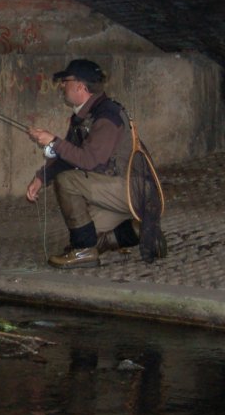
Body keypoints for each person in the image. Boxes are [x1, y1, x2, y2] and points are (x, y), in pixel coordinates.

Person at [25, 59, 145, 268]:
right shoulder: (84, 115)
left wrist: (54, 141)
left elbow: (88, 160)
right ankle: (139, 231)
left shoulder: (106, 116)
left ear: (80, 86)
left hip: (130, 189)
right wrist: (41, 177)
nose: (62, 85)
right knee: (89, 231)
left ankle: (83, 251)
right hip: (116, 190)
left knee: (67, 182)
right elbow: (68, 155)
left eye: (66, 81)